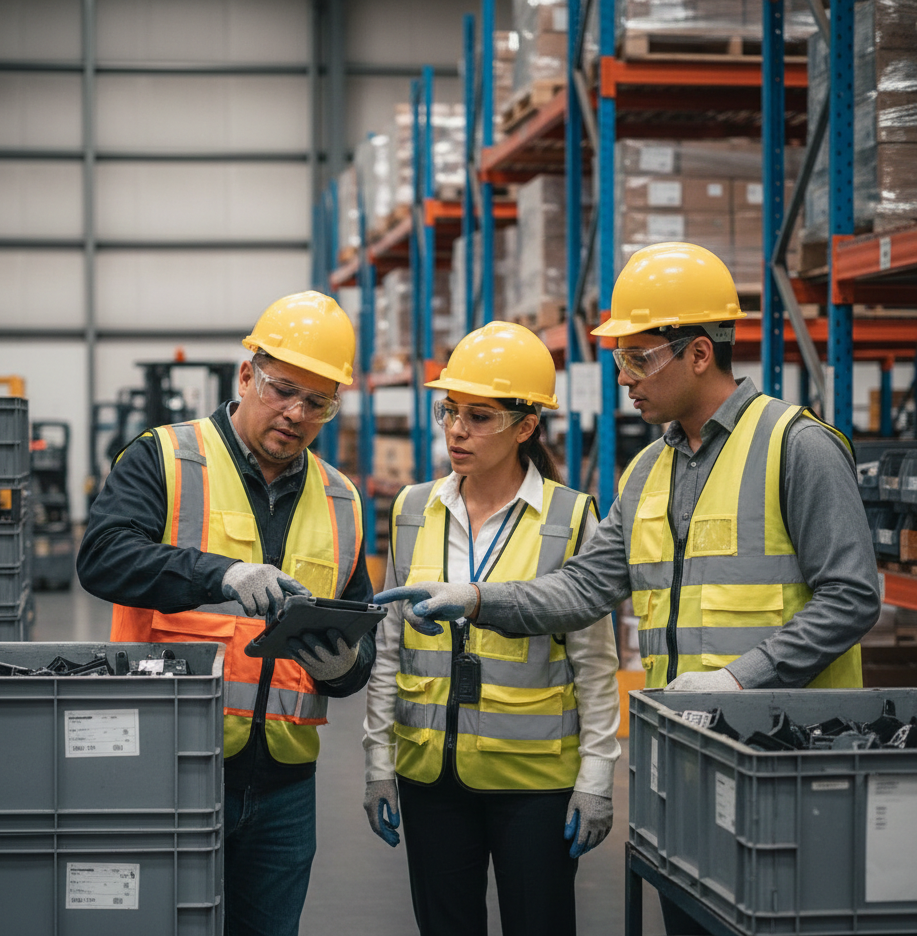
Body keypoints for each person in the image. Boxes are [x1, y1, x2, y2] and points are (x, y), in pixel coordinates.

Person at [376, 243, 882, 936]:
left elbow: (851, 597)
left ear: (698, 354)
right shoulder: (648, 470)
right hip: (685, 756)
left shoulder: (795, 447)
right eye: (619, 361)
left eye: (638, 358)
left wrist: (739, 680)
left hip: (788, 762)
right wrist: (476, 600)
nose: (624, 379)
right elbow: (583, 588)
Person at [77, 290, 376, 936]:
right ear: (247, 376)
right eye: (281, 389)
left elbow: (358, 637)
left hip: (285, 789)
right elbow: (101, 558)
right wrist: (219, 572)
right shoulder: (164, 457)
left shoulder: (342, 498)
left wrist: (346, 665)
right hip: (171, 767)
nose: (295, 413)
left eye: (316, 402)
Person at [363, 321, 621, 936]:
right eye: (449, 410)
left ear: (525, 426)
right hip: (431, 774)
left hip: (535, 784)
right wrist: (378, 760)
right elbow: (389, 646)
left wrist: (597, 779)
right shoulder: (412, 509)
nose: (456, 429)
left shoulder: (568, 517)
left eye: (480, 416)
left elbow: (594, 662)